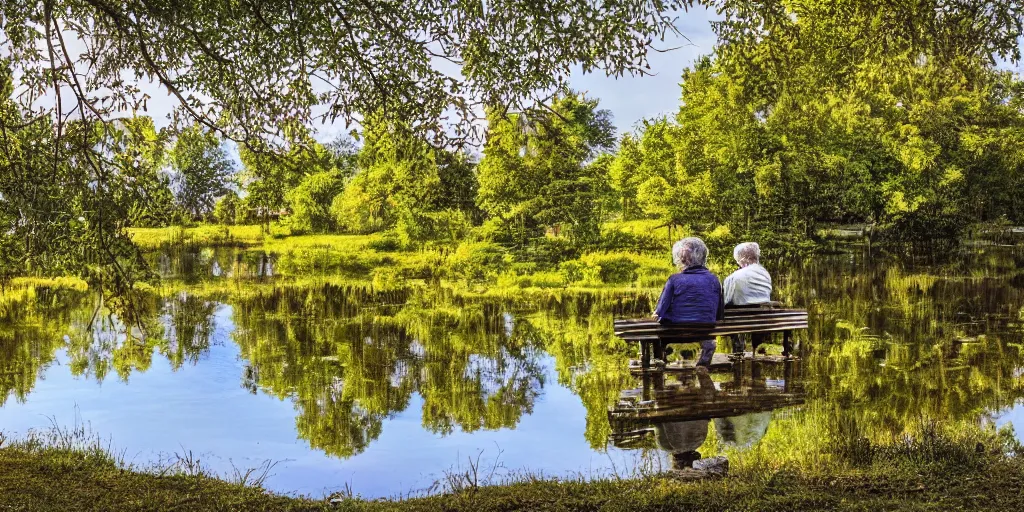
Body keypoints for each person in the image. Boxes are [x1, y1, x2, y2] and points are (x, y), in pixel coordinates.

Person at [654, 237, 725, 368]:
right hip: (705, 330)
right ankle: (702, 364)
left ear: (682, 259)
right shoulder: (714, 279)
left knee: (657, 334)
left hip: (675, 331)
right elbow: (719, 313)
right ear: (703, 257)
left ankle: (660, 360)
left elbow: (660, 310)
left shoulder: (674, 279)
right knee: (707, 335)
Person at [723, 242, 774, 354]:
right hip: (761, 318)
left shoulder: (734, 277)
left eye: (737, 260)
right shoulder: (765, 274)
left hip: (738, 320)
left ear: (742, 259)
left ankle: (738, 347)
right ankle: (757, 349)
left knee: (727, 310)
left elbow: (726, 300)